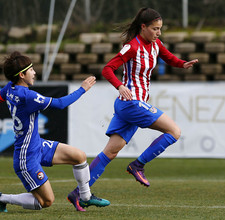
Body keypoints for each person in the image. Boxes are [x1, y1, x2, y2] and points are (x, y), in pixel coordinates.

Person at [67, 7, 198, 211]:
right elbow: (107, 69)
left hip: (129, 106)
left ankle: (79, 193)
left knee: (111, 152)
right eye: (155, 29)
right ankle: (138, 165)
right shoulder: (132, 47)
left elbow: (169, 57)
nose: (158, 33)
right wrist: (120, 85)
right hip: (132, 103)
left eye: (160, 29)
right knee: (174, 132)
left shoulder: (155, 44)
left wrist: (183, 64)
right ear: (143, 27)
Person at [0, 51, 110, 212]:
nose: (34, 72)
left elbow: (1, 97)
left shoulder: (10, 88)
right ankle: (2, 198)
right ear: (22, 75)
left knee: (79, 156)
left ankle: (85, 197)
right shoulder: (27, 96)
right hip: (26, 156)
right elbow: (59, 104)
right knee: (45, 202)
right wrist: (82, 89)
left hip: (37, 145)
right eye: (31, 70)